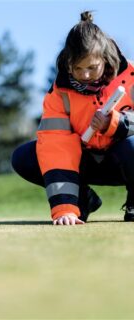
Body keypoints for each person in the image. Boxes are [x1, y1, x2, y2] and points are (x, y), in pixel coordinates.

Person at [12, 11, 134, 225]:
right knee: (24, 157)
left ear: (105, 59)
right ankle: (81, 200)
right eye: (77, 68)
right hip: (85, 160)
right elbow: (56, 146)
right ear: (68, 62)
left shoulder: (131, 75)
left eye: (91, 68)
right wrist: (64, 208)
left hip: (124, 159)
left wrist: (114, 123)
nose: (85, 75)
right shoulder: (59, 94)